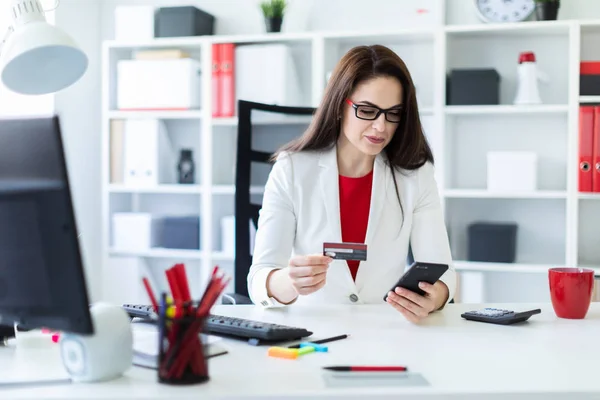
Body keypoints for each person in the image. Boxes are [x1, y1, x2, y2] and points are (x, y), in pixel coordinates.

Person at [246, 44, 456, 323]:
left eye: (393, 113)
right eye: (368, 110)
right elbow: (259, 278)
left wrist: (436, 296)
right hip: (314, 330)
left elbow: (443, 272)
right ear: (338, 106)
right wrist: (288, 282)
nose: (382, 127)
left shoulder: (416, 175)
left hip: (389, 331)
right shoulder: (292, 169)